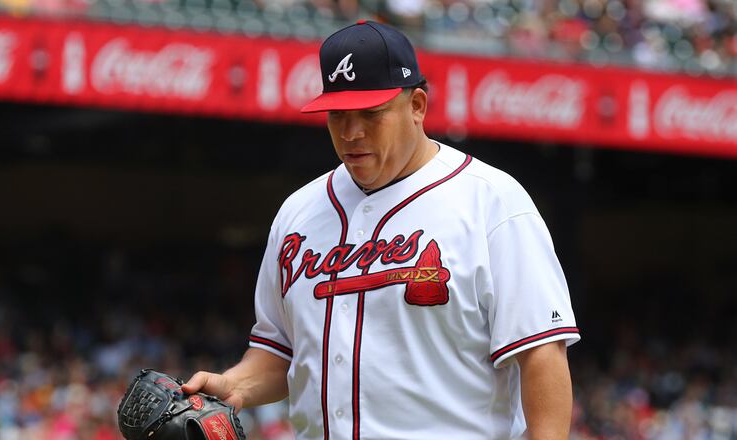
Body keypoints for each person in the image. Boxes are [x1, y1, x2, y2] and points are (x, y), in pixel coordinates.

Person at [183, 20, 580, 439]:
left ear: (417, 105)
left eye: (371, 114)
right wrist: (235, 385)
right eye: (338, 114)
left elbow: (541, 355)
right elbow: (281, 352)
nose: (351, 133)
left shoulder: (492, 202)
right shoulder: (298, 212)